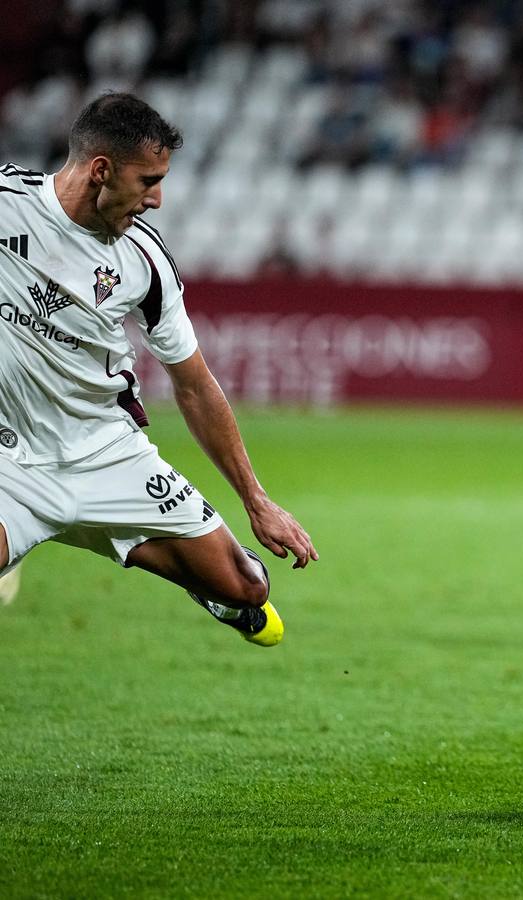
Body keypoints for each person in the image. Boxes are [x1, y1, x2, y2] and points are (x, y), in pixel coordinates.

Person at [0, 93, 316, 645]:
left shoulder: (143, 261)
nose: (158, 199)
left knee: (247, 588)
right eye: (148, 180)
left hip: (105, 451)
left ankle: (181, 570)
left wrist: (256, 500)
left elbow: (194, 387)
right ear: (101, 170)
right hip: (12, 459)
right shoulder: (7, 203)